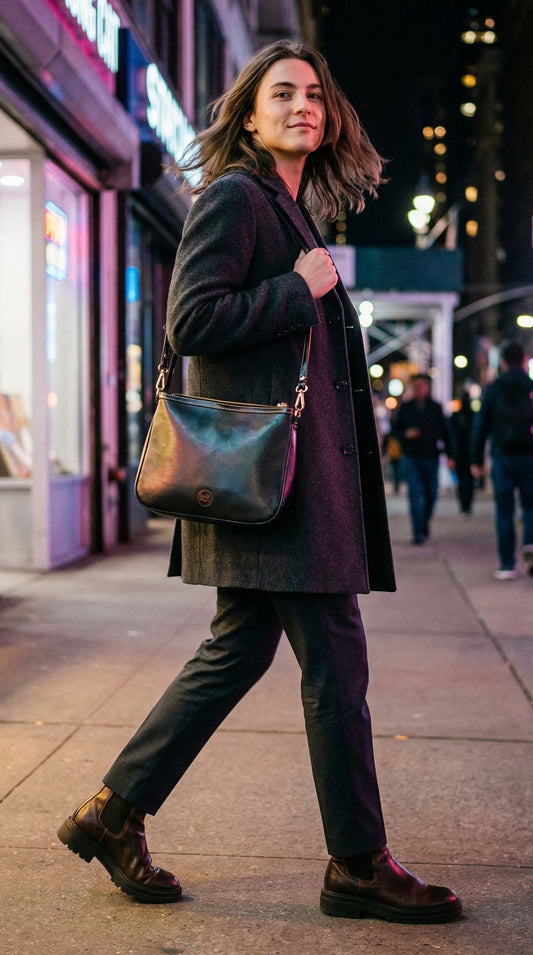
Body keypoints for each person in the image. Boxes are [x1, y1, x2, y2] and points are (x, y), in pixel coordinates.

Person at [57, 41, 462, 923]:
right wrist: (296, 287)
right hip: (277, 489)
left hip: (282, 487)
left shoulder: (289, 205)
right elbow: (195, 318)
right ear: (248, 113)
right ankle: (356, 860)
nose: (303, 106)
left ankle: (113, 811)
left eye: (315, 94)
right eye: (282, 93)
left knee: (237, 649)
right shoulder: (240, 198)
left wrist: (301, 278)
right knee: (334, 666)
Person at [472, 340, 533, 580]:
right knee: (531, 505)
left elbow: (482, 425)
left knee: (504, 510)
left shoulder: (494, 389)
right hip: (530, 455)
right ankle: (530, 542)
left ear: (504, 362)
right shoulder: (530, 387)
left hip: (503, 456)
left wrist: (476, 459)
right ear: (524, 360)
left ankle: (507, 565)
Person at [394, 375, 454, 544]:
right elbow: (395, 430)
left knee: (431, 493)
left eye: (422, 386)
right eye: (416, 386)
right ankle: (418, 531)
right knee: (414, 493)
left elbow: (446, 432)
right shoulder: (406, 407)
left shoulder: (435, 407)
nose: (419, 389)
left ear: (428, 388)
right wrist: (406, 434)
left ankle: (424, 522)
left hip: (431, 455)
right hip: (412, 456)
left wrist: (450, 456)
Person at [450, 391, 476, 517]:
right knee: (468, 480)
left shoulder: (456, 416)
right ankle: (467, 504)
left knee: (462, 480)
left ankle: (464, 505)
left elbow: (451, 436)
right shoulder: (473, 415)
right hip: (469, 453)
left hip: (459, 453)